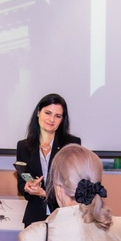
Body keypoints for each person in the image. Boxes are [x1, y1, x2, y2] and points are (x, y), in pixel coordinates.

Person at [16, 93, 82, 227]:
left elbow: (75, 187)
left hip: (64, 216)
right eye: (48, 113)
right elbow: (21, 183)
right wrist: (28, 187)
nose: (51, 119)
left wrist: (45, 193)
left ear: (62, 120)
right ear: (38, 113)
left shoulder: (72, 144)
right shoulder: (23, 146)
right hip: (35, 217)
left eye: (57, 116)